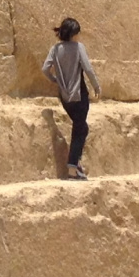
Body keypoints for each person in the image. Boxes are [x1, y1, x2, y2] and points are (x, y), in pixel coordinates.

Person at [42, 16, 101, 180]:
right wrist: (96, 86)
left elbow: (45, 69)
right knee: (79, 129)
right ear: (73, 33)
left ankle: (76, 164)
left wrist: (56, 80)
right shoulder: (78, 47)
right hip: (79, 95)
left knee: (82, 128)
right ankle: (72, 170)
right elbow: (88, 69)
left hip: (65, 97)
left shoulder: (55, 49)